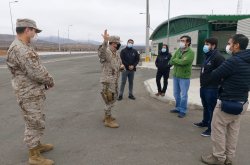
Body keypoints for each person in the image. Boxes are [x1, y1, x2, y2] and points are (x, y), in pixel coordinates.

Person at [6, 19, 55, 165]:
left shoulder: (23, 46)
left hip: (32, 91)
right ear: (28, 30)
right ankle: (34, 155)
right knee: (34, 121)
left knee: (36, 119)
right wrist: (49, 80)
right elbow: (35, 71)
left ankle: (36, 145)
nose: (35, 34)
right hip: (28, 93)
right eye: (35, 31)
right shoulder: (20, 49)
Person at [201, 34, 250, 165]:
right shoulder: (247, 60)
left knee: (218, 128)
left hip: (228, 101)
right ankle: (229, 158)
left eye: (230, 43)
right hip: (242, 102)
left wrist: (224, 79)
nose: (228, 46)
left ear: (237, 45)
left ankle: (218, 157)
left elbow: (215, 74)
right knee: (233, 131)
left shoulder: (233, 61)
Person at [193, 38, 225, 137]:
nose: (205, 46)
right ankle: (205, 122)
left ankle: (211, 129)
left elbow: (222, 73)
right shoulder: (208, 56)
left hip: (212, 88)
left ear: (213, 45)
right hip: (204, 86)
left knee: (212, 109)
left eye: (207, 44)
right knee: (205, 106)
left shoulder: (218, 57)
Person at [98, 29, 124, 128]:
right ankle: (107, 120)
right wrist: (105, 41)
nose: (119, 45)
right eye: (118, 43)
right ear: (113, 43)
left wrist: (121, 66)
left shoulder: (116, 53)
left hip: (115, 80)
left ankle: (107, 116)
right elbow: (101, 53)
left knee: (113, 99)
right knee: (109, 100)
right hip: (108, 81)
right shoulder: (107, 52)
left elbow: (120, 63)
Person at [169, 35, 194, 118]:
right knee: (176, 94)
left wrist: (176, 60)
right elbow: (171, 61)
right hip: (176, 75)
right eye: (181, 40)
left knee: (184, 95)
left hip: (184, 77)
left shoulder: (191, 53)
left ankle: (183, 110)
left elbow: (184, 63)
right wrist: (177, 60)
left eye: (183, 41)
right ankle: (178, 107)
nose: (181, 42)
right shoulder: (178, 50)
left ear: (188, 42)